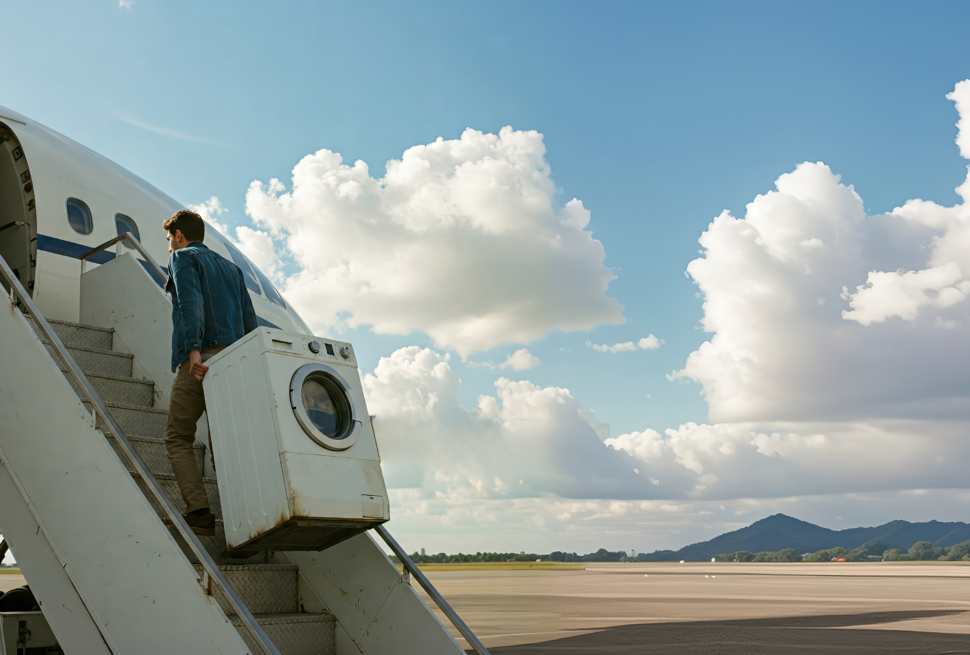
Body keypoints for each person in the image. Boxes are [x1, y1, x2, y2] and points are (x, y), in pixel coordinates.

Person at [162, 210, 258, 538]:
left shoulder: (183, 257)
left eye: (168, 239)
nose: (169, 246)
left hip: (202, 361)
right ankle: (246, 525)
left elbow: (189, 303)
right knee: (226, 446)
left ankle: (200, 513)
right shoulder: (232, 269)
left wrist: (193, 350)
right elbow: (250, 323)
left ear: (178, 234)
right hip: (234, 362)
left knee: (177, 437)